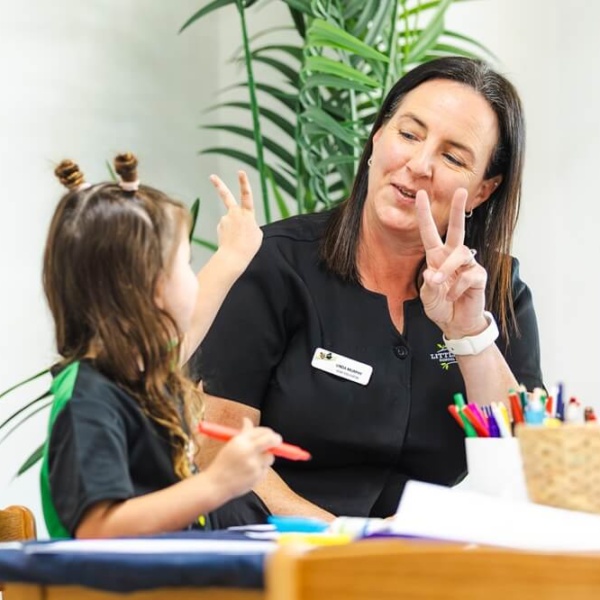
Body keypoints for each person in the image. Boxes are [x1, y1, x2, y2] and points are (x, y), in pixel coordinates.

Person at [191, 56, 544, 525]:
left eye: (453, 157)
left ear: (484, 190)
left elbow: (523, 467)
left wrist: (470, 335)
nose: (419, 165)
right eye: (409, 134)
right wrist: (347, 543)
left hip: (428, 561)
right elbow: (218, 442)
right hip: (279, 549)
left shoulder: (496, 292)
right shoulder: (274, 263)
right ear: (377, 137)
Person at [40, 153, 282, 539]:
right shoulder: (89, 398)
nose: (192, 275)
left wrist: (235, 254)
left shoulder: (139, 377)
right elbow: (97, 530)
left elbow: (191, 324)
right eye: (186, 262)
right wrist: (216, 484)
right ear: (147, 289)